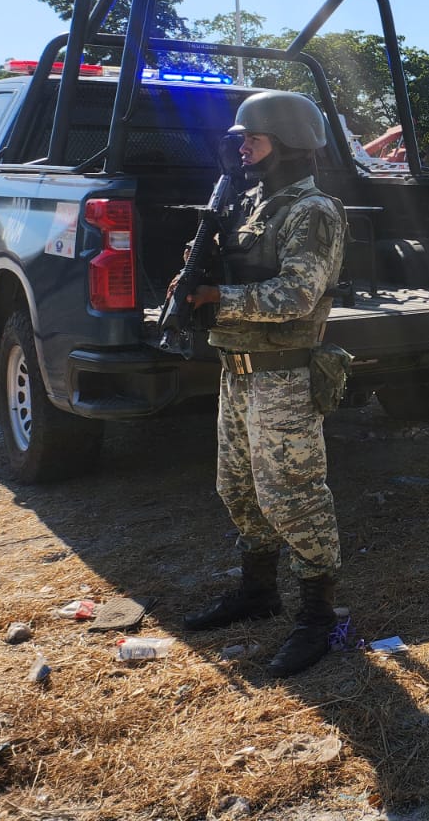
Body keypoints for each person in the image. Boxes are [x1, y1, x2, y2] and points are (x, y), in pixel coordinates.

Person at [180, 91, 348, 679]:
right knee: (236, 489)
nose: (242, 146)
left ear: (289, 141)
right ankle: (258, 594)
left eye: (253, 137)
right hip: (239, 373)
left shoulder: (313, 210)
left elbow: (297, 295)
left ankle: (317, 616)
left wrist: (215, 298)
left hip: (283, 378)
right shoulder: (254, 203)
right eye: (241, 138)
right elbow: (250, 273)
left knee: (293, 499)